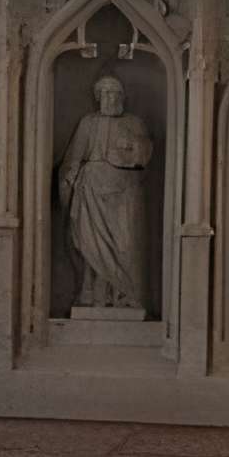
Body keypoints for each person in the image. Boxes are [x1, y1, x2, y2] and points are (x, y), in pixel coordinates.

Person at [57, 72, 153, 313]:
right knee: (90, 245)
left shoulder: (133, 123)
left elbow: (144, 155)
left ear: (122, 97)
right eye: (105, 94)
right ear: (98, 97)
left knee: (124, 245)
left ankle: (123, 295)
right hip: (90, 192)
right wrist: (68, 179)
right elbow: (74, 157)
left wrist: (131, 146)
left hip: (123, 194)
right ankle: (91, 295)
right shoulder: (88, 123)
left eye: (114, 93)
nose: (110, 99)